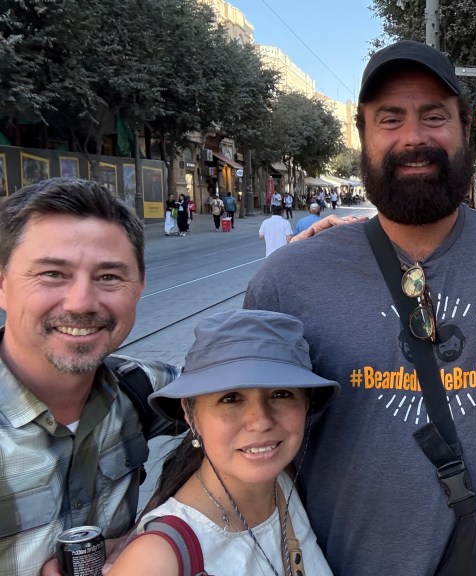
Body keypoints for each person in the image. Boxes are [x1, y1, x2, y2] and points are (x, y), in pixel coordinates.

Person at [244, 39, 476, 575]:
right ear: (362, 134)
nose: (413, 138)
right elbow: (233, 438)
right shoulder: (289, 281)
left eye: (433, 116)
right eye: (390, 119)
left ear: (465, 129)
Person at [0, 177, 179, 576]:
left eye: (109, 277)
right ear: (2, 283)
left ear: (139, 288)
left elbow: (248, 405)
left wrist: (151, 532)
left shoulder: (140, 390)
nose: (81, 302)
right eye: (52, 274)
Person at [108, 309, 338, 576]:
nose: (260, 421)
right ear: (190, 414)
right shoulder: (157, 559)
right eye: (231, 398)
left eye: (281, 393)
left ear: (306, 404)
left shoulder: (286, 483)